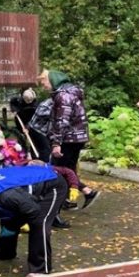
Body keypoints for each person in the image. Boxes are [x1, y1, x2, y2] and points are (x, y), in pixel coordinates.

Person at [38, 69, 101, 221]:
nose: (44, 86)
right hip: (76, 139)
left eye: (44, 82)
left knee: (58, 173)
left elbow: (62, 121)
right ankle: (85, 193)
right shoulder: (71, 92)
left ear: (53, 80)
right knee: (68, 170)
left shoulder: (63, 95)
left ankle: (55, 213)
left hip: (68, 140)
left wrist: (56, 143)